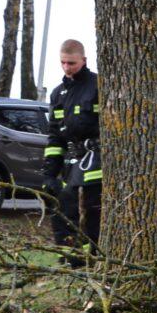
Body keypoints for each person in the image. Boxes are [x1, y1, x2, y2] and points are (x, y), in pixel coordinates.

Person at [42, 39, 101, 266]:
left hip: (95, 159)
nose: (67, 68)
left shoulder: (97, 86)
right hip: (71, 160)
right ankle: (69, 259)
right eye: (63, 63)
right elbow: (54, 136)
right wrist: (49, 173)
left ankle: (88, 260)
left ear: (83, 60)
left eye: (72, 63)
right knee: (60, 207)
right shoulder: (58, 94)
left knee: (86, 211)